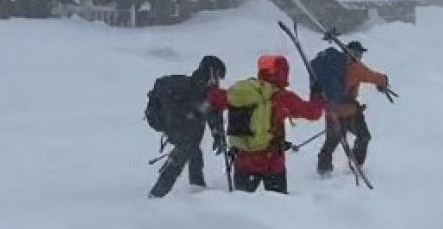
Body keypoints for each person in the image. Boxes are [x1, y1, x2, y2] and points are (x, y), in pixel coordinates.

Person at [217, 53, 324, 194]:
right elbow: (313, 113)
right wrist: (317, 94)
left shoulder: (244, 93)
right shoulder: (282, 97)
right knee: (278, 209)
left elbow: (215, 99)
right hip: (271, 162)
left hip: (242, 160)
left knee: (241, 208)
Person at [148, 55, 228, 199]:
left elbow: (212, 112)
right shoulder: (192, 88)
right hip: (179, 126)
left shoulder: (202, 89)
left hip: (185, 127)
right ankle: (157, 194)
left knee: (193, 152)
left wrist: (218, 134)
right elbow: (209, 111)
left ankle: (196, 189)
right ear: (211, 72)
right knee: (184, 152)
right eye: (217, 75)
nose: (218, 80)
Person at [317, 39, 390, 176]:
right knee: (364, 136)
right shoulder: (356, 67)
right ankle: (357, 164)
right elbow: (374, 77)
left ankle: (323, 170)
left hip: (332, 110)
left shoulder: (332, 66)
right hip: (350, 112)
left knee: (331, 143)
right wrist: (384, 81)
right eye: (359, 53)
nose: (360, 56)